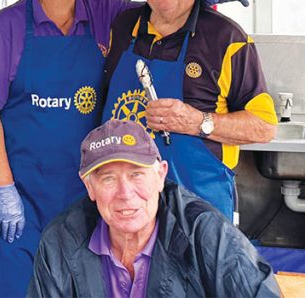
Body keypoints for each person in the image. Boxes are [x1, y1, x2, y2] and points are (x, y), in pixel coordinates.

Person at [0, 0, 247, 297]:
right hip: (20, 196)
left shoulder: (106, 14)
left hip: (87, 197)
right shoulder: (8, 26)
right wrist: (4, 189)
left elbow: (160, 3)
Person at [101, 0, 277, 221]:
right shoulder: (121, 27)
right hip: (125, 213)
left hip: (198, 217)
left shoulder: (227, 39)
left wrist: (199, 122)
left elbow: (264, 126)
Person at [27, 120, 280, 297]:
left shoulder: (206, 234)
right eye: (108, 179)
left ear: (161, 176)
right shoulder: (61, 241)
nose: (125, 194)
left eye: (137, 174)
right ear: (89, 187)